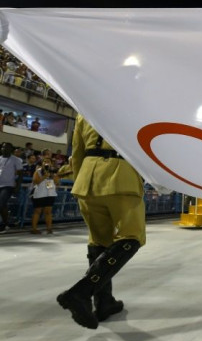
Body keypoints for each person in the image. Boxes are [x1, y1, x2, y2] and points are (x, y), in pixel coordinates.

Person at [56, 114, 146, 329]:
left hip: (87, 178)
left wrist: (81, 181)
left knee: (99, 242)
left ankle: (104, 302)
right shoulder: (135, 104)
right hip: (121, 175)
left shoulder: (82, 110)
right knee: (132, 237)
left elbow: (76, 151)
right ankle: (81, 291)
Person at [29, 156, 60, 234]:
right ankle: (34, 229)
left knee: (48, 211)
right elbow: (35, 181)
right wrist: (44, 176)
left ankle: (49, 228)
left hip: (50, 194)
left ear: (51, 164)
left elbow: (57, 182)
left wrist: (53, 176)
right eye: (45, 161)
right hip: (39, 194)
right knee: (37, 211)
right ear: (42, 163)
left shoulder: (53, 172)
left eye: (48, 162)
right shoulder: (38, 171)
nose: (46, 163)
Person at [0, 142, 24, 233]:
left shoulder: (16, 160)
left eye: (6, 147)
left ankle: (4, 224)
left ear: (11, 149)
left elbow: (21, 174)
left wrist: (18, 186)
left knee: (1, 204)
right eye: (2, 147)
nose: (4, 149)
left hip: (8, 185)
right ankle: (7, 223)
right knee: (3, 205)